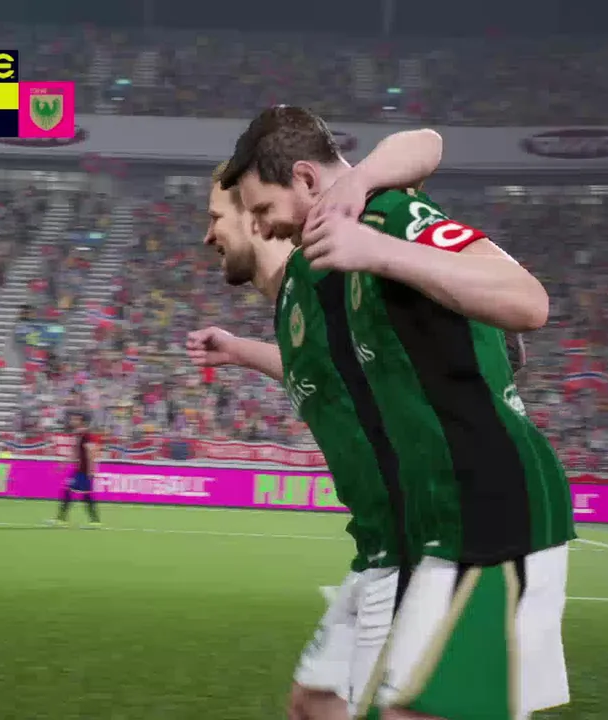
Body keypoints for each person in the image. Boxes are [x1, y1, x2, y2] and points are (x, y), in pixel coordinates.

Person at [215, 105, 574, 720]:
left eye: (263, 208)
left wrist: (380, 247)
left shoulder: (388, 217)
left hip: (494, 511)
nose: (262, 225)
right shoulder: (323, 268)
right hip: (438, 523)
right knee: (324, 705)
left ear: (305, 179)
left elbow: (528, 301)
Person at [188, 126, 445, 720]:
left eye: (219, 218)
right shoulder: (294, 303)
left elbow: (426, 146)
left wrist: (360, 180)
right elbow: (326, 372)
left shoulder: (327, 264)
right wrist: (238, 349)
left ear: (255, 218)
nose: (208, 235)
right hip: (376, 545)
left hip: (413, 540)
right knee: (312, 703)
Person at [49, 415, 102, 528]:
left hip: (84, 471)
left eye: (75, 419)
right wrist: (63, 464)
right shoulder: (78, 435)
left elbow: (91, 453)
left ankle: (94, 521)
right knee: (73, 493)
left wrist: (91, 470)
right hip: (79, 470)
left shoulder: (87, 436)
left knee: (81, 495)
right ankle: (93, 521)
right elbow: (75, 453)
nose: (72, 421)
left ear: (81, 422)